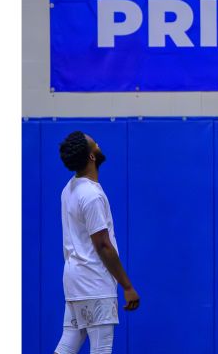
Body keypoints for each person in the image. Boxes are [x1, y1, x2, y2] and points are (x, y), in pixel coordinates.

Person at [54, 131, 139, 354]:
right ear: (92, 156)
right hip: (95, 284)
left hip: (75, 283)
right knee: (101, 349)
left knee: (67, 345)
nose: (99, 143)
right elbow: (102, 244)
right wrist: (127, 286)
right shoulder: (91, 195)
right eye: (95, 143)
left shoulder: (69, 188)